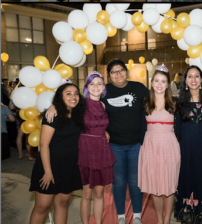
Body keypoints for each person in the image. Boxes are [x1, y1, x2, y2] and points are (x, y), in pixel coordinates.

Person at [29, 83, 85, 224]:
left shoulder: (78, 115)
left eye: (76, 93)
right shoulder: (52, 115)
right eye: (68, 93)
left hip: (69, 167)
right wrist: (48, 172)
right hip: (50, 166)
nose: (73, 96)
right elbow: (44, 145)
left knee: (62, 204)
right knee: (42, 207)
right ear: (60, 97)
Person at [102, 59, 149, 224]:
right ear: (109, 76)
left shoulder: (139, 88)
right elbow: (86, 106)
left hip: (137, 143)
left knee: (136, 181)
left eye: (121, 70)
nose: (118, 74)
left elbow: (157, 102)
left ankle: (137, 215)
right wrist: (53, 106)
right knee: (119, 181)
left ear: (126, 71)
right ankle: (120, 216)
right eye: (114, 71)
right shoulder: (104, 91)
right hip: (115, 144)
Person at [174, 65, 202, 224]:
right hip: (185, 148)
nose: (193, 79)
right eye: (190, 76)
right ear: (185, 81)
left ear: (201, 80)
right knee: (186, 179)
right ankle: (187, 215)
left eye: (196, 76)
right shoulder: (179, 101)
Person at [138, 64, 180, 224]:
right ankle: (159, 221)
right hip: (150, 146)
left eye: (163, 81)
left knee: (169, 187)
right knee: (155, 187)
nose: (160, 84)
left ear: (168, 84)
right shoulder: (145, 102)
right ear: (151, 82)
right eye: (156, 80)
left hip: (169, 145)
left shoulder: (175, 103)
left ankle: (167, 220)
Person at [78, 71, 116, 224]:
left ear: (103, 87)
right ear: (87, 86)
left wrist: (104, 131)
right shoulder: (80, 104)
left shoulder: (102, 104)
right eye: (92, 83)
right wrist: (53, 107)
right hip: (86, 151)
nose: (96, 86)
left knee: (99, 193)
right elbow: (64, 111)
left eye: (99, 83)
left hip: (101, 150)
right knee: (87, 194)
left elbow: (100, 124)